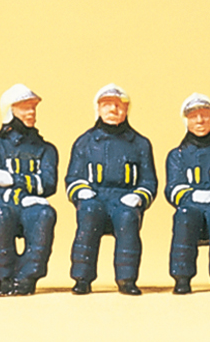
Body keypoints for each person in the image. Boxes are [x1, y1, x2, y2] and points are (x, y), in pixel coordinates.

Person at [65, 84, 156, 295]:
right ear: (97, 109)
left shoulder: (140, 144)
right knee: (88, 218)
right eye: (107, 104)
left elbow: (149, 181)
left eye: (118, 105)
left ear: (127, 109)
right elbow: (73, 177)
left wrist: (138, 196)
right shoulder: (84, 142)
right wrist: (81, 191)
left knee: (128, 220)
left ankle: (127, 280)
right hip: (95, 197)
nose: (113, 109)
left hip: (124, 198)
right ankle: (82, 279)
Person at [0, 84, 58, 296]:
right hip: (6, 204)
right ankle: (5, 278)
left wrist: (13, 180)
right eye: (25, 108)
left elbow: (49, 183)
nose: (31, 112)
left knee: (45, 214)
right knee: (1, 215)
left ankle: (27, 277)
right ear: (10, 110)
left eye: (33, 107)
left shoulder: (46, 149)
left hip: (33, 205)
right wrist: (24, 195)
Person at [165, 93, 210, 294]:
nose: (200, 121)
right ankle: (182, 278)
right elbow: (173, 187)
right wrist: (191, 196)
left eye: (205, 115)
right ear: (186, 120)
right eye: (193, 116)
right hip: (191, 205)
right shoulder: (177, 156)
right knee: (185, 216)